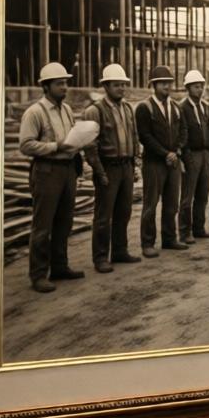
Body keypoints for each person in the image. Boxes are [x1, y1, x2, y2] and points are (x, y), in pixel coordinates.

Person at [18, 62, 85, 293]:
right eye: (59, 84)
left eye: (65, 83)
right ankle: (38, 275)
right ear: (46, 87)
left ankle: (59, 266)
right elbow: (25, 145)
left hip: (67, 171)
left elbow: (73, 136)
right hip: (46, 171)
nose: (64, 87)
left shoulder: (66, 110)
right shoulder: (35, 112)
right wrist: (55, 146)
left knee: (64, 222)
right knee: (43, 225)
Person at [82, 63, 141, 273]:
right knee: (103, 216)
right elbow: (90, 145)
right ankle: (100, 257)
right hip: (108, 168)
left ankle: (119, 251)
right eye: (116, 85)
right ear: (105, 87)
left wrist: (135, 163)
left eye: (123, 85)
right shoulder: (94, 111)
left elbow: (134, 137)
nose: (121, 89)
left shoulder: (127, 108)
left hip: (125, 165)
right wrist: (99, 171)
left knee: (123, 212)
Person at [136, 65, 188, 257]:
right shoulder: (144, 108)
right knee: (150, 204)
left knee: (172, 203)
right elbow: (145, 137)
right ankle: (147, 243)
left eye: (169, 83)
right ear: (154, 85)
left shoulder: (175, 107)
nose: (167, 86)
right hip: (154, 163)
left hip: (173, 161)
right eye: (163, 83)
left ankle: (169, 238)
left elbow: (183, 131)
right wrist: (165, 153)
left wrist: (177, 151)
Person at [179, 70, 209, 242]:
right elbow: (182, 133)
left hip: (205, 154)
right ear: (188, 88)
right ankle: (184, 231)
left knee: (203, 194)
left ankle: (199, 228)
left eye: (201, 86)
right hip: (191, 154)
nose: (200, 89)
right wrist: (185, 155)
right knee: (188, 195)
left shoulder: (206, 107)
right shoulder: (182, 108)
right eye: (196, 86)